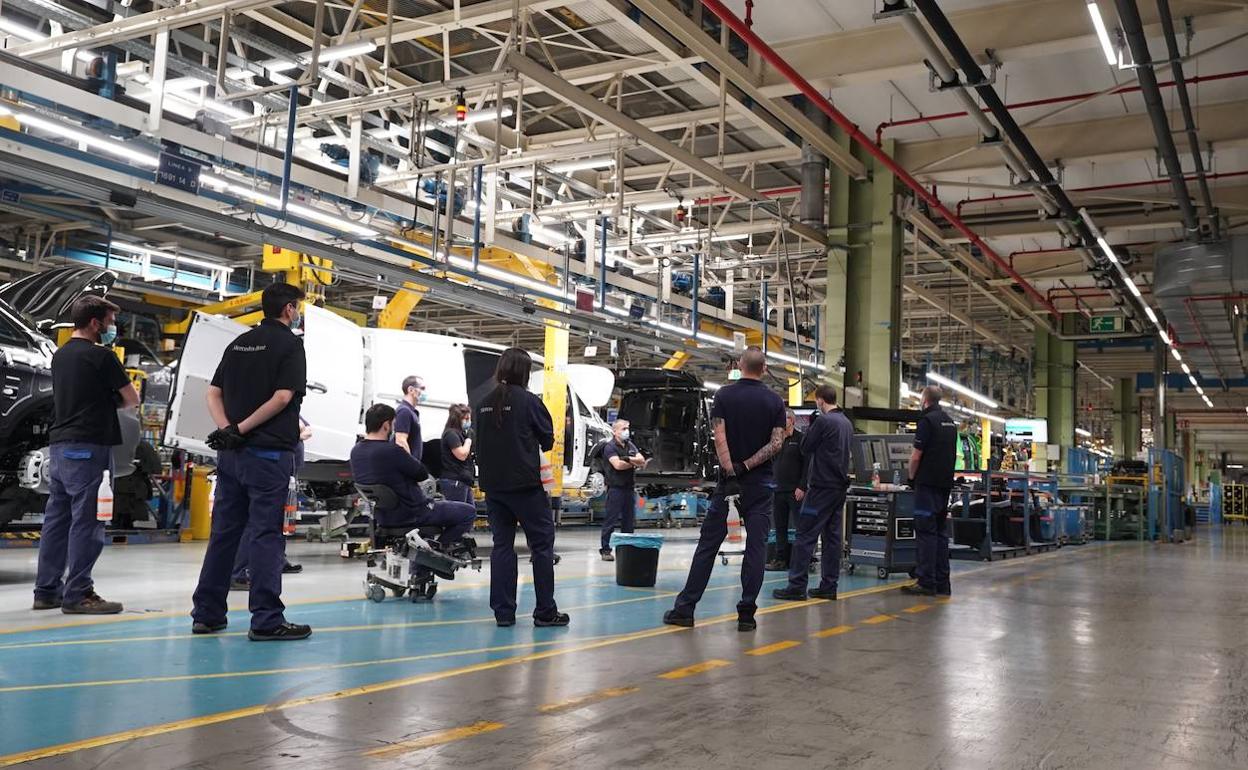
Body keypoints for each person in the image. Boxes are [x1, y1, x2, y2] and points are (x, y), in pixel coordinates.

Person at [190, 282, 311, 641]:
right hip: (268, 455)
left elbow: (213, 393)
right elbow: (282, 397)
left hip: (232, 456)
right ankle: (266, 620)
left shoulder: (238, 343)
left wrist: (227, 430)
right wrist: (241, 429)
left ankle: (207, 614)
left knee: (224, 535)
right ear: (289, 309)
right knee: (265, 536)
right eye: (298, 307)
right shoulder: (291, 345)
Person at [664, 347, 786, 632]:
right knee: (756, 549)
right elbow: (776, 444)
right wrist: (747, 466)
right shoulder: (774, 401)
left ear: (740, 365)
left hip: (729, 486)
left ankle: (685, 609)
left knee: (707, 547)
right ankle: (746, 614)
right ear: (764, 368)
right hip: (760, 486)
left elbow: (719, 437)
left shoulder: (724, 395)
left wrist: (731, 471)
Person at [33, 295, 140, 614]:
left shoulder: (60, 355)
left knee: (57, 520)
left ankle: (46, 590)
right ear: (95, 323)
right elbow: (131, 399)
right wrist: (108, 401)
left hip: (59, 447)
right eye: (110, 322)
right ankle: (79, 593)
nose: (112, 328)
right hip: (89, 447)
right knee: (88, 521)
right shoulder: (102, 356)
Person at [474, 348, 569, 628]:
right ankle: (545, 612)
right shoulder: (529, 402)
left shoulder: (482, 403)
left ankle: (503, 613)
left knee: (502, 546)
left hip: (494, 488)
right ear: (525, 372)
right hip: (525, 487)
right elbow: (548, 440)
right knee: (541, 547)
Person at [350, 404, 476, 548]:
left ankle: (428, 551)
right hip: (414, 512)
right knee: (468, 512)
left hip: (383, 517)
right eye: (393, 424)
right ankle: (435, 551)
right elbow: (421, 474)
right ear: (386, 425)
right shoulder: (393, 451)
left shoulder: (356, 452)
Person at [772, 385, 852, 601]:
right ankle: (829, 586)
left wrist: (811, 425)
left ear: (820, 401)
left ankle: (797, 586)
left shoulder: (824, 421)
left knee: (805, 535)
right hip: (838, 488)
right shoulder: (846, 422)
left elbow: (805, 447)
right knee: (832, 538)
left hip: (821, 488)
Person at [230, 417, 309, 591]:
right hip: (269, 469)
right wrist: (295, 433)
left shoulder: (293, 412)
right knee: (256, 522)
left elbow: (307, 431)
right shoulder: (275, 409)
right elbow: (294, 431)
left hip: (285, 470)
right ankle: (240, 572)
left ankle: (278, 561)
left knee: (281, 520)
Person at [902, 385, 958, 597]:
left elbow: (916, 456)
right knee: (940, 533)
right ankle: (943, 583)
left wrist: (911, 477)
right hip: (944, 485)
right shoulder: (950, 422)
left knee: (925, 532)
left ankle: (926, 582)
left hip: (926, 485)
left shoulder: (926, 421)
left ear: (924, 400)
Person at [600, 419, 646, 562]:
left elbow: (642, 460)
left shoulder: (630, 445)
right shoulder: (609, 447)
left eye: (627, 428)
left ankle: (626, 549)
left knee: (629, 521)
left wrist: (627, 459)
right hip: (615, 489)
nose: (627, 431)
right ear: (615, 431)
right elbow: (618, 465)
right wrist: (634, 463)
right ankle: (606, 550)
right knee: (611, 521)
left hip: (629, 488)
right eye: (623, 428)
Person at [766, 410, 805, 571]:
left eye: (786, 418)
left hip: (795, 491)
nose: (783, 421)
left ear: (792, 421)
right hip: (778, 490)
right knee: (779, 528)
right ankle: (780, 559)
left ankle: (802, 560)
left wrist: (802, 486)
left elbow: (807, 465)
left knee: (801, 527)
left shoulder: (800, 439)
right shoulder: (777, 440)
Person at [440, 404, 476, 505]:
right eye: (466, 419)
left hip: (463, 480)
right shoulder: (451, 434)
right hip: (454, 481)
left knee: (470, 511)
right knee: (458, 512)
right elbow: (461, 455)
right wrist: (468, 441)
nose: (469, 421)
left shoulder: (461, 434)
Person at [395, 375, 426, 462]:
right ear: (411, 390)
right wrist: (411, 464)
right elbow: (401, 441)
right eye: (422, 388)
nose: (424, 392)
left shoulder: (411, 411)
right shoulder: (404, 411)